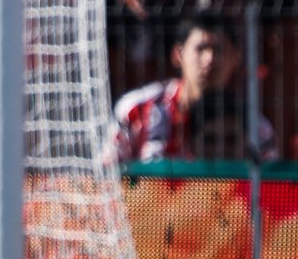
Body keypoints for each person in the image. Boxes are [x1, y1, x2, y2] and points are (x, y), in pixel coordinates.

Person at [113, 14, 278, 162]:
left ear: (236, 57)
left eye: (219, 49)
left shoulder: (256, 126)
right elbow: (105, 178)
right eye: (201, 48)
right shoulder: (138, 109)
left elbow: (270, 188)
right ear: (178, 54)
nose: (209, 59)